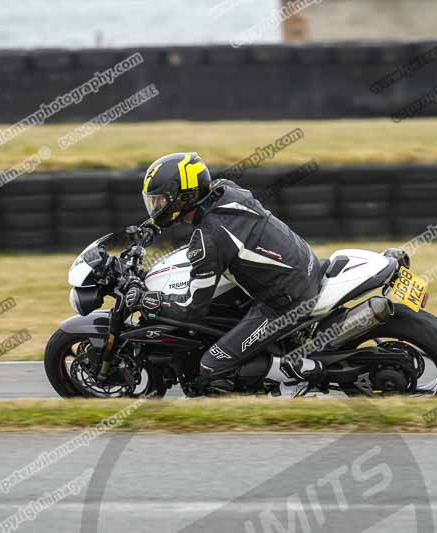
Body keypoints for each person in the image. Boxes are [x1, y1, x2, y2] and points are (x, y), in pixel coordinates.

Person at [124, 152, 325, 394]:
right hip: (301, 266)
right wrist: (150, 228)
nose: (157, 208)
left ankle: (308, 370)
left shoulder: (210, 240)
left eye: (161, 201)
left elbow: (192, 310)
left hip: (286, 301)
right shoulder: (224, 190)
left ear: (183, 197)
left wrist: (151, 301)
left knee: (212, 366)